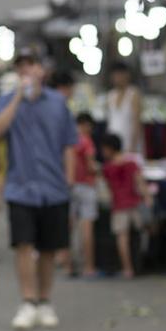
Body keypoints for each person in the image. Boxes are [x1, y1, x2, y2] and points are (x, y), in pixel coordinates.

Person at [0, 48, 78, 331]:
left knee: (49, 248)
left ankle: (44, 299)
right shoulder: (6, 101)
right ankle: (28, 301)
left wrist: (70, 178)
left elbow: (69, 143)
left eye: (32, 65)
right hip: (21, 186)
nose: (27, 71)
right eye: (21, 66)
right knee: (24, 245)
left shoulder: (58, 103)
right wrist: (17, 97)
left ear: (42, 69)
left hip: (53, 186)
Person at [101, 133, 150, 278]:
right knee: (139, 235)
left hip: (119, 206)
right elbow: (140, 182)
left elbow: (107, 189)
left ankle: (127, 268)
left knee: (122, 238)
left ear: (109, 149)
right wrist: (147, 197)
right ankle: (140, 265)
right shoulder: (132, 163)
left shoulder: (108, 168)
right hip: (135, 204)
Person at [71, 112, 101, 277]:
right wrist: (100, 169)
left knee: (69, 227)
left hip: (71, 186)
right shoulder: (87, 142)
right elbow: (91, 166)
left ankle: (68, 265)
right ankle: (89, 267)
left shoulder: (70, 141)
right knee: (87, 228)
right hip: (87, 187)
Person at [106, 62, 143, 155]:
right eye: (115, 75)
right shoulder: (111, 95)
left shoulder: (133, 94)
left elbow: (137, 122)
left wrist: (133, 147)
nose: (117, 78)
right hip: (113, 145)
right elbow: (110, 122)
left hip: (129, 144)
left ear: (126, 75)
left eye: (119, 75)